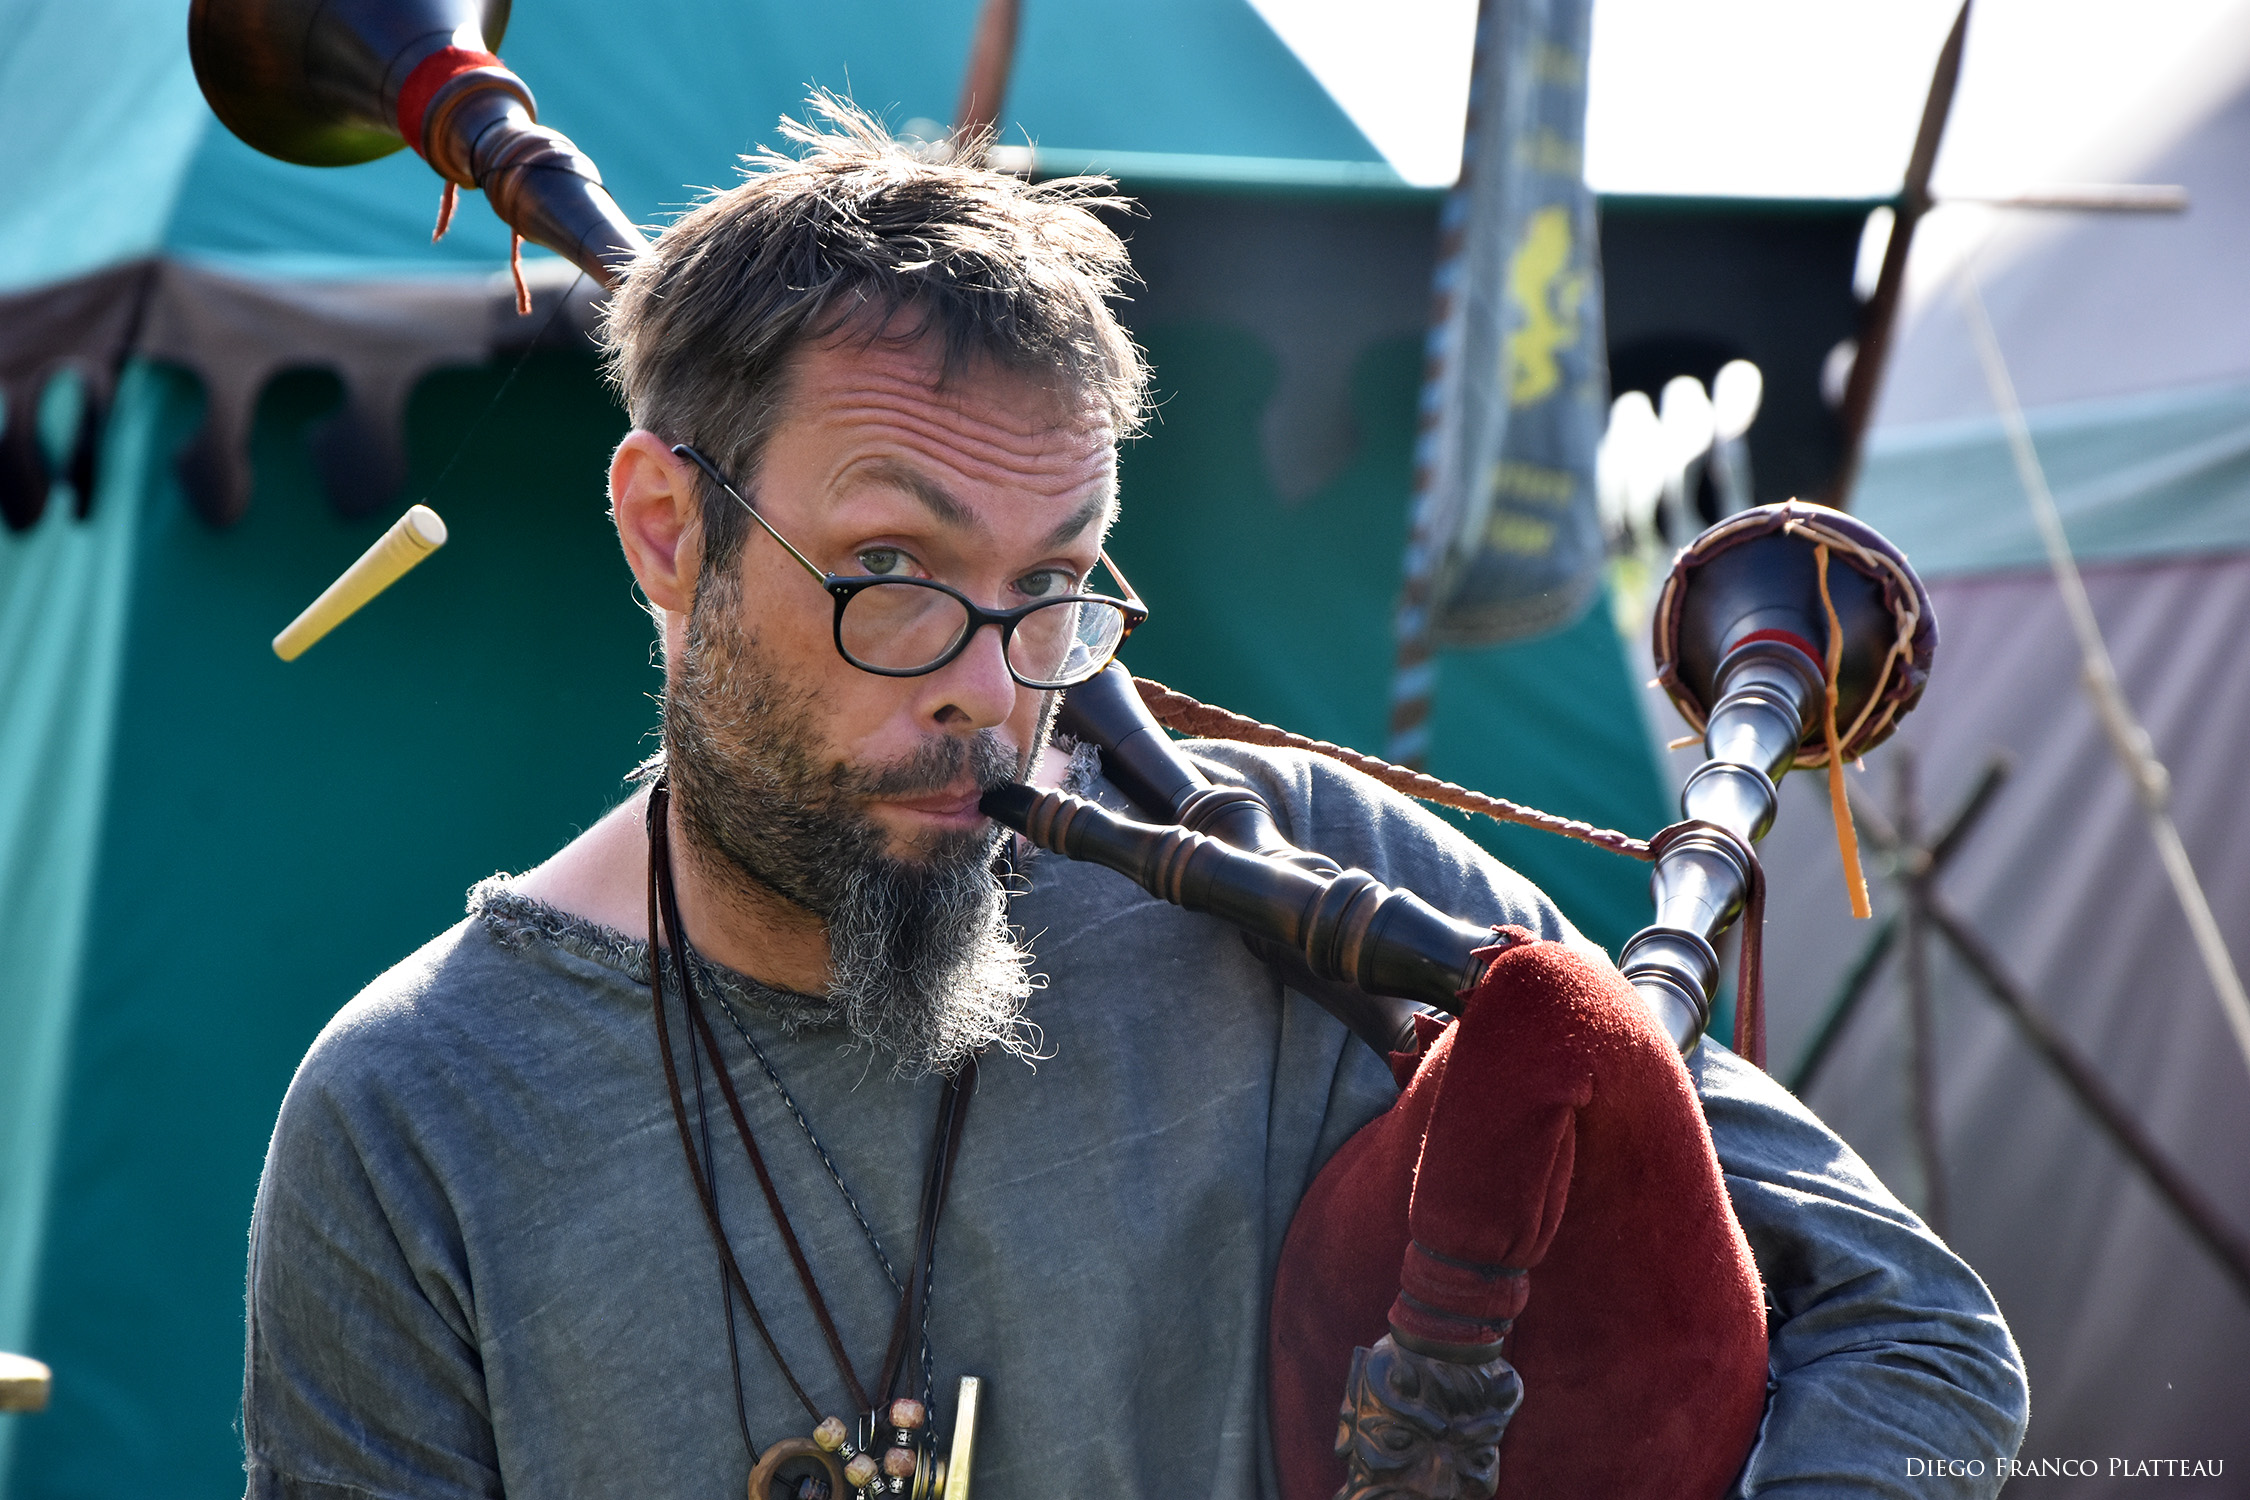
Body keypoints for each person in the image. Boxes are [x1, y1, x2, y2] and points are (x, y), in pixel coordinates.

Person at [240, 99, 2027, 1500]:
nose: (991, 688)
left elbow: (1917, 1333)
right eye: (892, 568)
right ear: (664, 530)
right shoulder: (418, 1118)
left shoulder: (1310, 880)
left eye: (1052, 584)